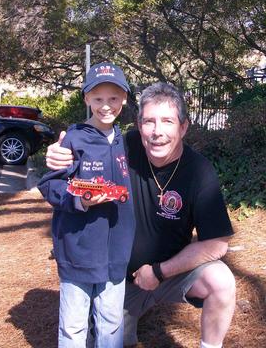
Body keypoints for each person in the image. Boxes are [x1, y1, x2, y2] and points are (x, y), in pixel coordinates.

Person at [47, 82, 236, 348]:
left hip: (171, 273)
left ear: (183, 127)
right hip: (118, 281)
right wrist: (60, 154)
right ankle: (130, 315)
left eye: (168, 121)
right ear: (138, 125)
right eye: (149, 121)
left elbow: (217, 244)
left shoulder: (199, 171)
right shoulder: (123, 149)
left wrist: (159, 272)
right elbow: (84, 158)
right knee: (104, 338)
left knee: (221, 281)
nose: (157, 132)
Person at [38, 62, 136, 348]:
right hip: (78, 250)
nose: (106, 106)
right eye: (98, 99)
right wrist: (80, 200)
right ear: (86, 99)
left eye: (114, 98)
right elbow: (50, 185)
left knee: (111, 323)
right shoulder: (73, 139)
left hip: (116, 251)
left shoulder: (126, 141)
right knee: (73, 326)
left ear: (125, 99)